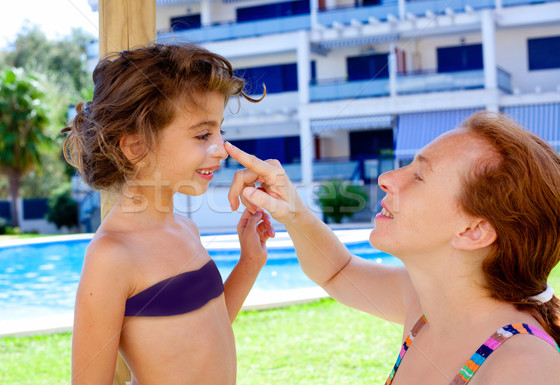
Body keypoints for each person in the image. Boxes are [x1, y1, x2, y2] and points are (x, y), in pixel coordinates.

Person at [225, 110, 560, 384]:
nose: (387, 177)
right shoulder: (427, 308)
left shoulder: (523, 367)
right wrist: (293, 211)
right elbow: (338, 272)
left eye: (419, 176)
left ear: (473, 231)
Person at [63, 42, 274, 385]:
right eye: (203, 134)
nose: (222, 149)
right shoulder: (112, 255)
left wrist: (249, 263)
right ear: (136, 147)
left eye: (221, 131)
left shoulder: (185, 228)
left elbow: (208, 331)